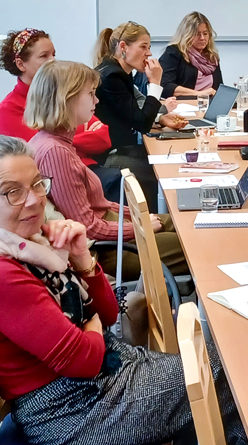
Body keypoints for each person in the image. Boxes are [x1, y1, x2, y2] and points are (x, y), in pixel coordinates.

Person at [0, 133, 248, 445]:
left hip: (101, 377)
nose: (34, 200)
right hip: (69, 412)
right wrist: (91, 323)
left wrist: (81, 258)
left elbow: (109, 315)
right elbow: (85, 358)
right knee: (230, 367)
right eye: (12, 192)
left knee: (219, 362)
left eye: (37, 184)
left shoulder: (32, 246)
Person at [25, 60, 187, 280]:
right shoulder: (55, 151)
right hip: (107, 249)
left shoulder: (56, 141)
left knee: (187, 223)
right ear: (67, 98)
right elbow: (86, 227)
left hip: (112, 230)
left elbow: (96, 206)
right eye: (90, 94)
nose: (97, 100)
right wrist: (137, 226)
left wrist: (139, 216)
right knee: (194, 242)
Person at [0, 28, 121, 198]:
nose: (52, 60)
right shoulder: (9, 109)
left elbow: (103, 137)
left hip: (82, 167)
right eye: (44, 56)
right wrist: (79, 135)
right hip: (52, 180)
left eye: (53, 54)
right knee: (124, 180)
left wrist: (62, 141)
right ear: (21, 64)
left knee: (130, 177)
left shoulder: (62, 95)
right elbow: (43, 152)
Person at [93, 21, 187, 202]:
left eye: (149, 47)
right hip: (111, 155)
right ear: (123, 47)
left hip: (121, 147)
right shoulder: (113, 76)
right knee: (165, 172)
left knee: (170, 160)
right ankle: (158, 221)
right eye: (144, 47)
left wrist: (159, 118)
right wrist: (155, 83)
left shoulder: (119, 70)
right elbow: (141, 123)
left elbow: (135, 113)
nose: (149, 53)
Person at [159, 11, 223, 98]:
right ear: (186, 35)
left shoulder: (212, 58)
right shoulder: (174, 53)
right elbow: (164, 87)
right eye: (197, 34)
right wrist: (200, 94)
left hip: (210, 105)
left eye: (205, 33)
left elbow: (219, 89)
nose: (202, 38)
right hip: (184, 106)